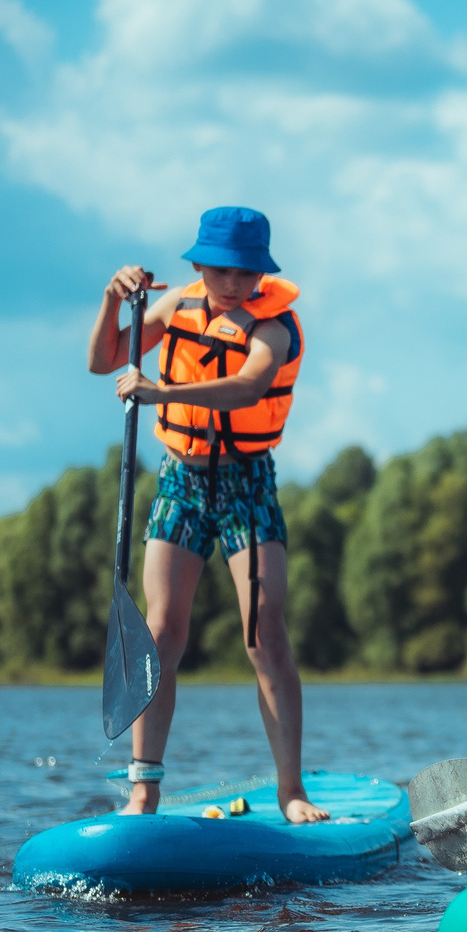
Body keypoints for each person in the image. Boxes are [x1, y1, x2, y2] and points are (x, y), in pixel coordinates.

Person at [87, 205, 327, 824]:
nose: (231, 283)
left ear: (260, 274)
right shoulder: (175, 309)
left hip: (247, 484)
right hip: (181, 481)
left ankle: (291, 791)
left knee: (263, 636)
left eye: (244, 272)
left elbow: (248, 387)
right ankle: (144, 790)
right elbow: (104, 359)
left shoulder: (275, 327)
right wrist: (111, 300)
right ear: (197, 265)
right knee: (162, 633)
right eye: (219, 270)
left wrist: (160, 393)